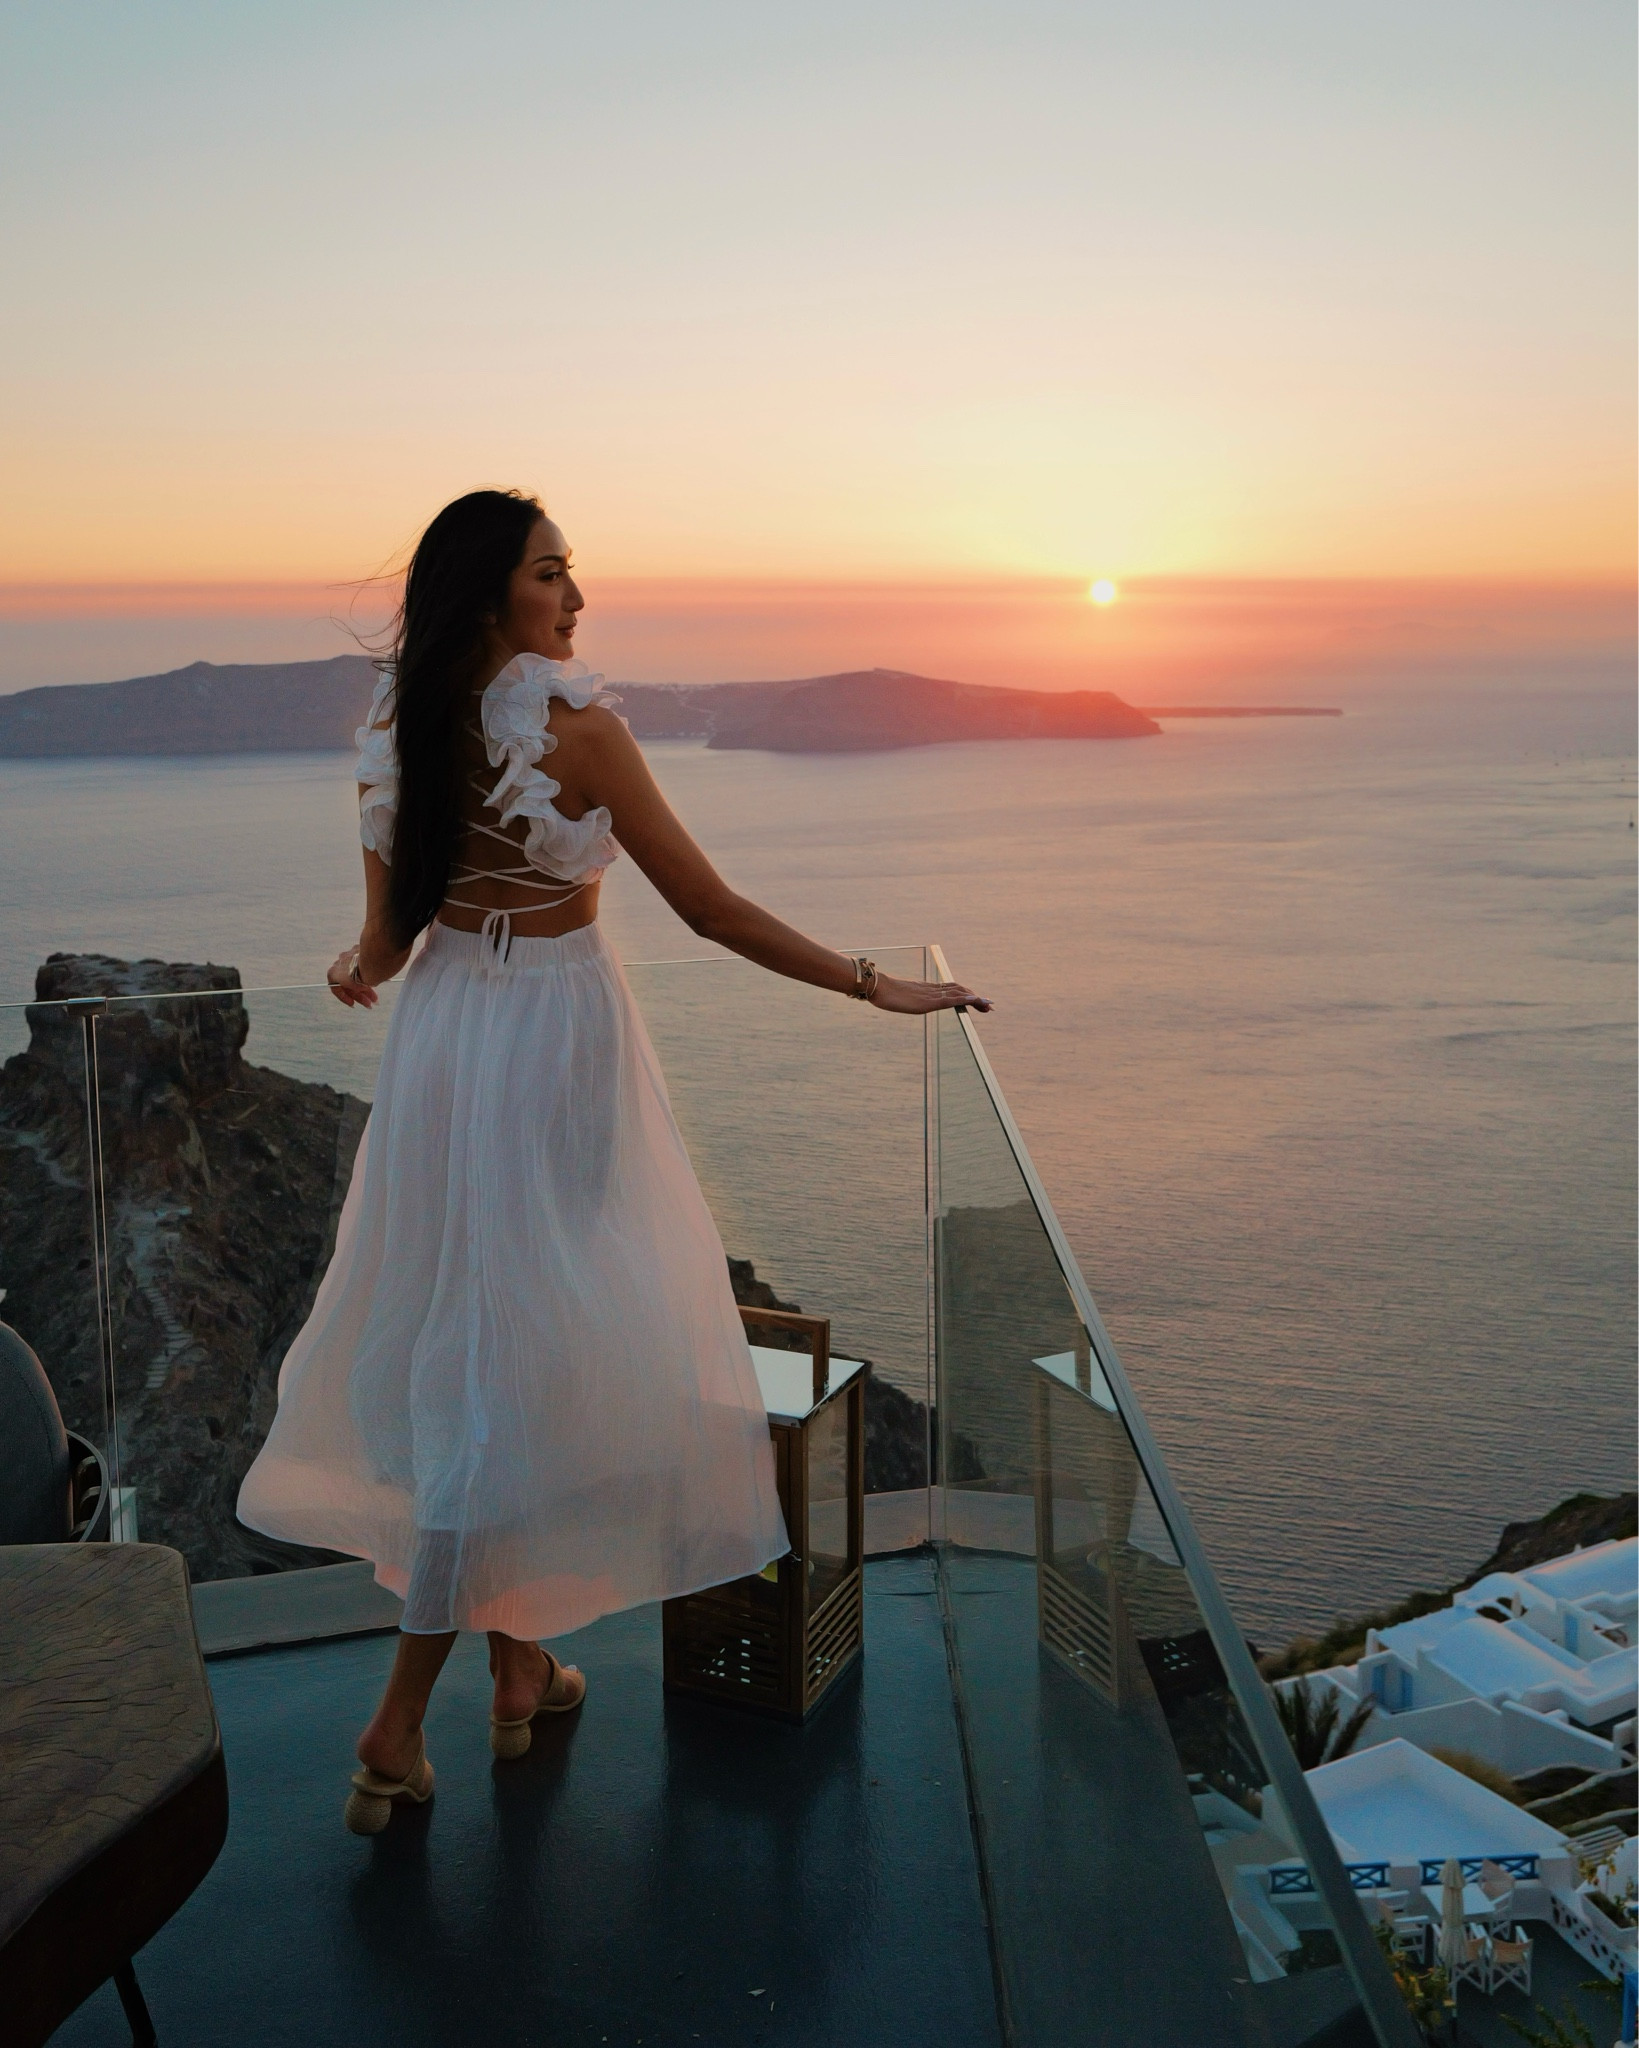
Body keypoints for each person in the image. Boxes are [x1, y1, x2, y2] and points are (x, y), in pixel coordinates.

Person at [236, 488, 987, 1834]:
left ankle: (520, 1667)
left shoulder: (398, 732)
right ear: (489, 598)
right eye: (550, 575)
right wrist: (875, 985)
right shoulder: (578, 728)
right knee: (524, 1349)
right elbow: (707, 908)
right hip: (553, 1042)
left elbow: (393, 937)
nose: (575, 600)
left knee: (489, 1335)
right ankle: (398, 1726)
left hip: (448, 1039)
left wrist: (354, 970)